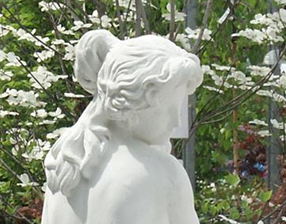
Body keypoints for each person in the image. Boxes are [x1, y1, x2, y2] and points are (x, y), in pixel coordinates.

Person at [42, 30, 203, 224]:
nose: (175, 122)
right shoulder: (162, 174)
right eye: (171, 109)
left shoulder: (65, 166)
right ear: (137, 104)